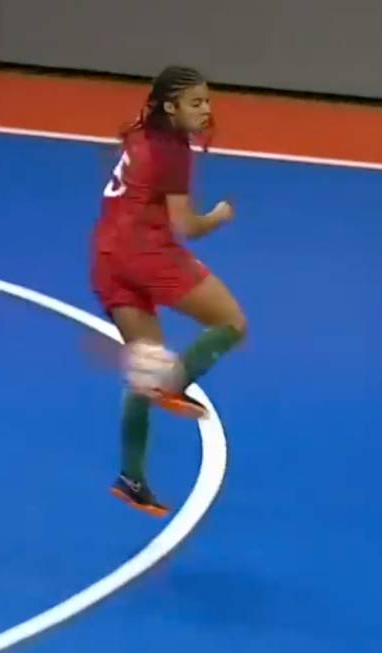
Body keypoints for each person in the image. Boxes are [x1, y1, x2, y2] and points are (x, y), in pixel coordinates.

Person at [91, 65, 247, 518]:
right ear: (170, 107)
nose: (206, 110)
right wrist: (219, 215)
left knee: (146, 369)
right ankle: (177, 383)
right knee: (232, 322)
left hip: (107, 258)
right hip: (147, 255)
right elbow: (187, 227)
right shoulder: (174, 152)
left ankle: (131, 478)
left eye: (207, 101)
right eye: (195, 102)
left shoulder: (139, 135)